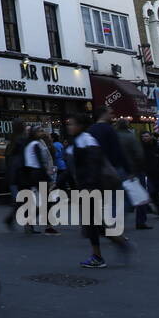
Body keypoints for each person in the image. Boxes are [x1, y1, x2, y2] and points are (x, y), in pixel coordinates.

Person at [64, 114, 130, 269]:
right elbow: (72, 169)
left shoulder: (87, 140)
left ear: (80, 125)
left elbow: (94, 164)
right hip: (85, 187)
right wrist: (59, 183)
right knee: (95, 224)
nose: (69, 127)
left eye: (72, 123)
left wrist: (89, 185)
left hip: (91, 187)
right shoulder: (77, 142)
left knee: (92, 223)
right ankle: (119, 243)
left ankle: (99, 256)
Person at [115, 118, 150, 229]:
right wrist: (137, 169)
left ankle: (116, 222)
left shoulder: (114, 137)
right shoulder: (131, 137)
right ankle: (140, 221)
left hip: (117, 170)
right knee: (140, 195)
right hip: (133, 171)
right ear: (127, 126)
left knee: (118, 197)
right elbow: (139, 155)